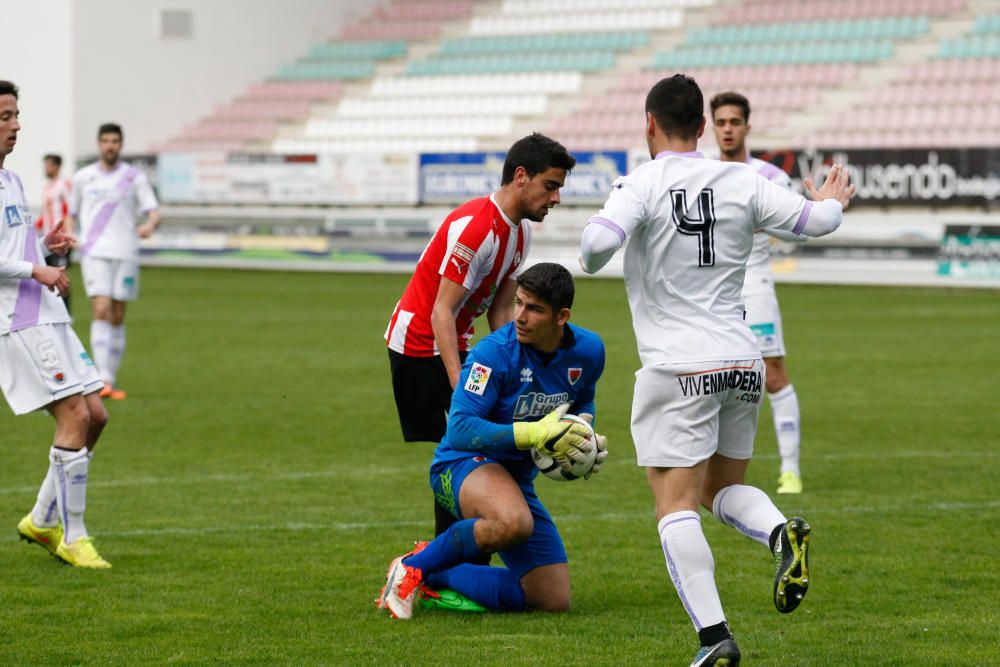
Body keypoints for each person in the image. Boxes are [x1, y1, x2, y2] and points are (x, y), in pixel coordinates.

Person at [579, 74, 854, 666]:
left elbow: (594, 249)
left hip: (678, 367)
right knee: (720, 488)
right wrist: (830, 198)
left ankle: (714, 640)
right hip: (741, 359)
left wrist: (616, 219)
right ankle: (782, 533)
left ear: (649, 124)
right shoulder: (743, 180)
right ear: (704, 127)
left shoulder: (643, 181)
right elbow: (819, 222)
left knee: (674, 504)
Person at [378, 262, 609, 619]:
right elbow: (459, 429)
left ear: (562, 316)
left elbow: (582, 399)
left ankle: (436, 569)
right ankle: (412, 567)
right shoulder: (493, 354)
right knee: (514, 523)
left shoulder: (590, 351)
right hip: (459, 464)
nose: (520, 316)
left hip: (512, 478)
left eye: (534, 309)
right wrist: (534, 433)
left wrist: (583, 435)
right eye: (518, 303)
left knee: (550, 598)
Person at [385, 133, 576, 542]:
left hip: (456, 343)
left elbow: (502, 310)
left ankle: (455, 554)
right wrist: (460, 386)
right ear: (521, 177)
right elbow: (442, 310)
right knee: (466, 445)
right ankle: (441, 559)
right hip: (421, 346)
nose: (556, 198)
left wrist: (520, 364)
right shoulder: (478, 228)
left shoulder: (521, 234)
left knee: (481, 445)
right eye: (551, 186)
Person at [0, 80, 112, 569]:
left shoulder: (13, 182)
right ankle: (73, 536)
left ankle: (43, 519)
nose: (15, 125)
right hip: (17, 319)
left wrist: (45, 248)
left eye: (16, 115)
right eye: (4, 117)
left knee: (96, 416)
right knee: (74, 416)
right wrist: (36, 269)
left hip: (47, 310)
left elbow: (14, 252)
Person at [711, 91, 805, 495]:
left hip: (754, 284)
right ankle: (712, 469)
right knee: (713, 377)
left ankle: (790, 469)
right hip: (712, 291)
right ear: (711, 128)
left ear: (748, 127)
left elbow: (793, 227)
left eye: (735, 122)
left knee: (773, 375)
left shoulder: (769, 177)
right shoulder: (704, 175)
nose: (728, 129)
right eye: (721, 122)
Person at [67, 123, 160, 400]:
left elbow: (152, 211)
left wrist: (150, 226)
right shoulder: (84, 177)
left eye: (115, 141)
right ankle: (101, 379)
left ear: (121, 144)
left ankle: (111, 378)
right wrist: (72, 234)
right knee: (101, 309)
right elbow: (71, 212)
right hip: (95, 252)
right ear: (99, 144)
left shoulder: (134, 177)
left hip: (126, 251)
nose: (110, 145)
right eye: (106, 140)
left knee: (118, 315)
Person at [38, 154, 73, 312]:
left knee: (61, 274)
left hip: (60, 238)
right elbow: (45, 214)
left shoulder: (63, 185)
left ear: (57, 166)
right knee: (49, 274)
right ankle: (54, 309)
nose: (45, 168)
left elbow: (70, 210)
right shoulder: (47, 187)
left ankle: (67, 312)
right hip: (47, 240)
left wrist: (68, 232)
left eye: (48, 165)